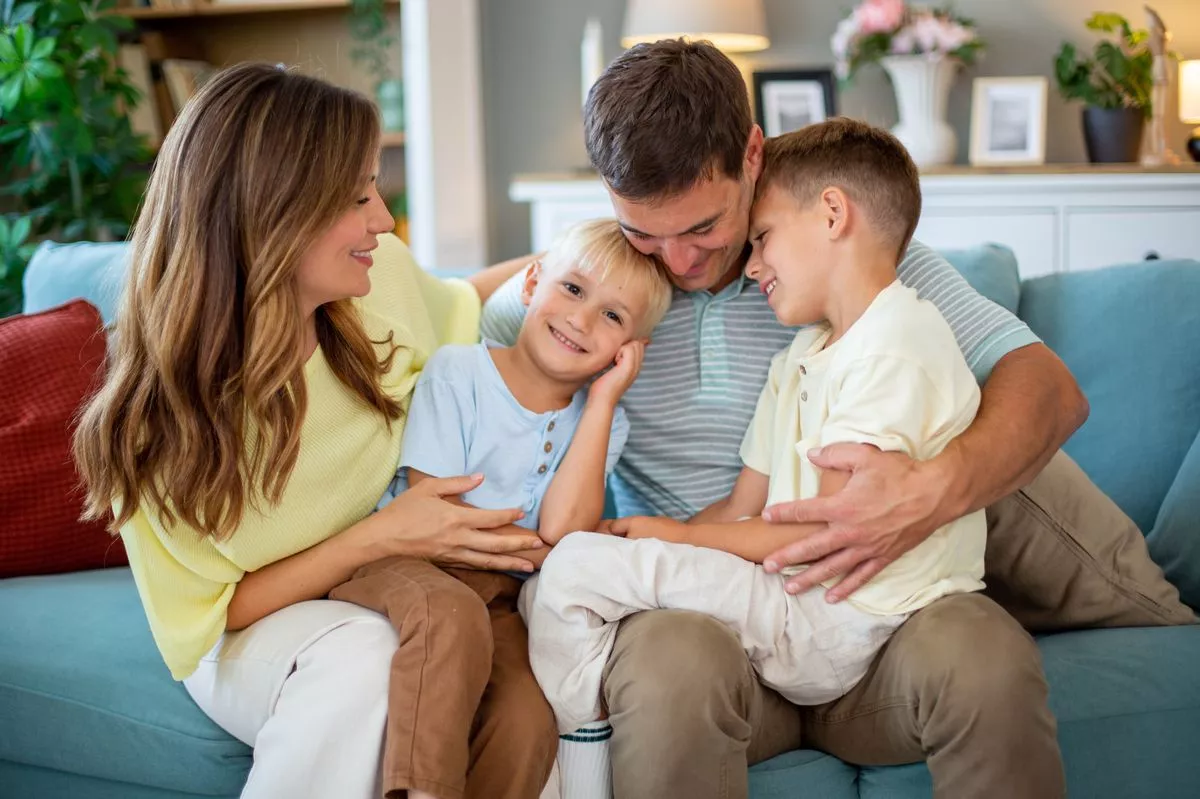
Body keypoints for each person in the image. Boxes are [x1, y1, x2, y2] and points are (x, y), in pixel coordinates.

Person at [483, 39, 1195, 799]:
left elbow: (1050, 390)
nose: (676, 261)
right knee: (667, 666)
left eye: (703, 229)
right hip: (715, 620)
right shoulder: (593, 289)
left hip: (876, 632)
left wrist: (929, 490)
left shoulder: (848, 257)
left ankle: (1145, 607)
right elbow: (456, 322)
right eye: (642, 233)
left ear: (750, 153)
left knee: (981, 652)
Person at [72, 63, 553, 799]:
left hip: (392, 584)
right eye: (358, 195)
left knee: (505, 691)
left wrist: (604, 252)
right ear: (274, 211)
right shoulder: (158, 416)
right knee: (367, 657)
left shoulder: (377, 280)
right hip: (249, 629)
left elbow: (472, 303)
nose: (384, 220)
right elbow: (214, 612)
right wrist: (386, 533)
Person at [524, 115, 987, 779]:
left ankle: (581, 752)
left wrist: (664, 539)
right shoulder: (802, 356)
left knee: (571, 568)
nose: (754, 260)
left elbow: (823, 538)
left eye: (762, 237)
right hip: (800, 603)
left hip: (837, 621)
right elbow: (748, 502)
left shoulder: (896, 347)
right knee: (571, 572)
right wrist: (665, 535)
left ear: (833, 215)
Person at [328, 218, 672, 799]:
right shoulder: (458, 371)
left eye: (613, 317)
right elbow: (434, 510)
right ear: (534, 282)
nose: (582, 320)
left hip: (507, 596)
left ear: (631, 350)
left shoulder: (602, 422)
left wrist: (605, 401)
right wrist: (533, 548)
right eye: (573, 289)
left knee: (527, 715)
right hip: (412, 564)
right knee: (449, 614)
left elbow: (563, 530)